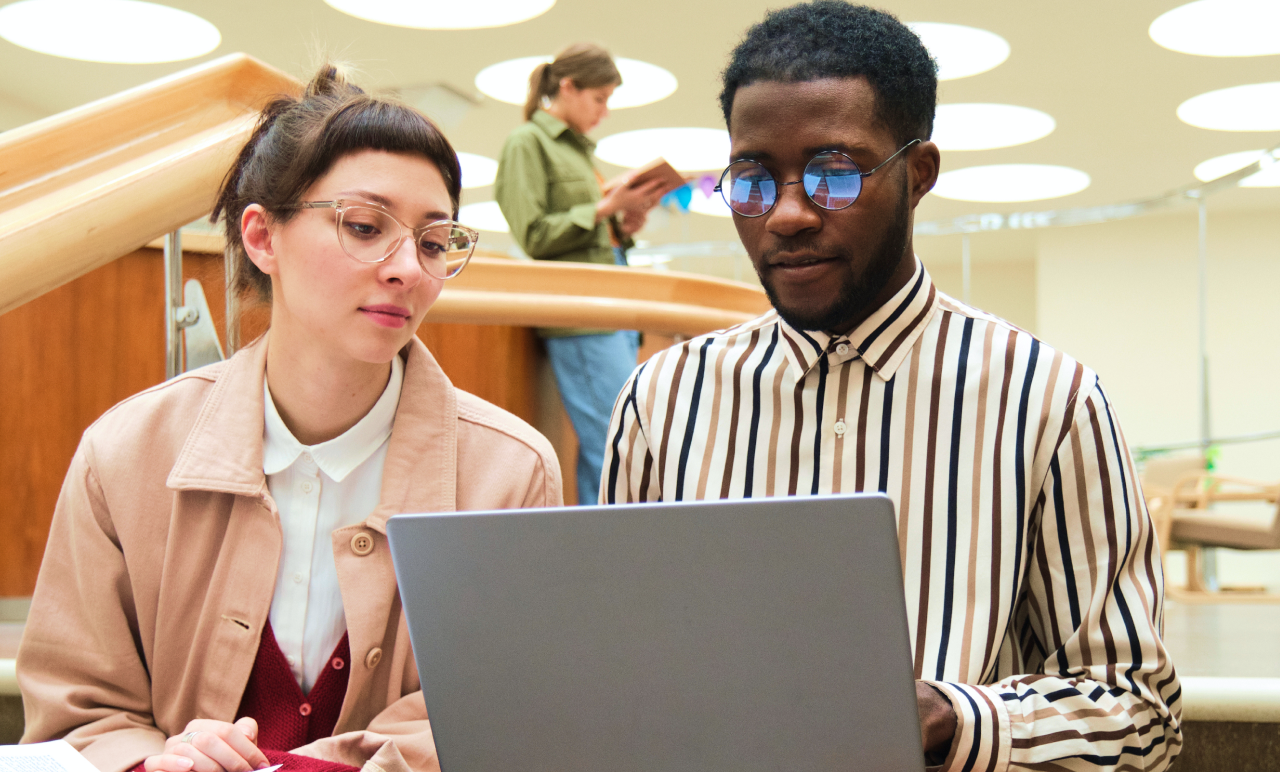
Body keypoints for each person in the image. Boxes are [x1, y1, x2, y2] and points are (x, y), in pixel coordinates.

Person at [601, 4, 1182, 770]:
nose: (787, 216)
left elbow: (1141, 717)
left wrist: (955, 717)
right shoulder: (662, 400)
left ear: (918, 174)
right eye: (752, 178)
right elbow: (613, 670)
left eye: (834, 174)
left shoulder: (1048, 400)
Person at [18, 65, 562, 772]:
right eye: (365, 227)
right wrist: (156, 763)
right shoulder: (123, 454)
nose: (408, 269)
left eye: (433, 242)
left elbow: (503, 716)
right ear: (261, 238)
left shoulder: (511, 472)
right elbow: (78, 712)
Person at [495, 43, 665, 506]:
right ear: (567, 87)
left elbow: (586, 233)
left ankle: (607, 555)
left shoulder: (578, 154)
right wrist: (604, 207)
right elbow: (533, 235)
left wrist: (621, 225)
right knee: (617, 446)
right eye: (599, 98)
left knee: (609, 446)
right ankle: (610, 559)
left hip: (611, 313)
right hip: (581, 316)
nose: (604, 111)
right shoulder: (526, 143)